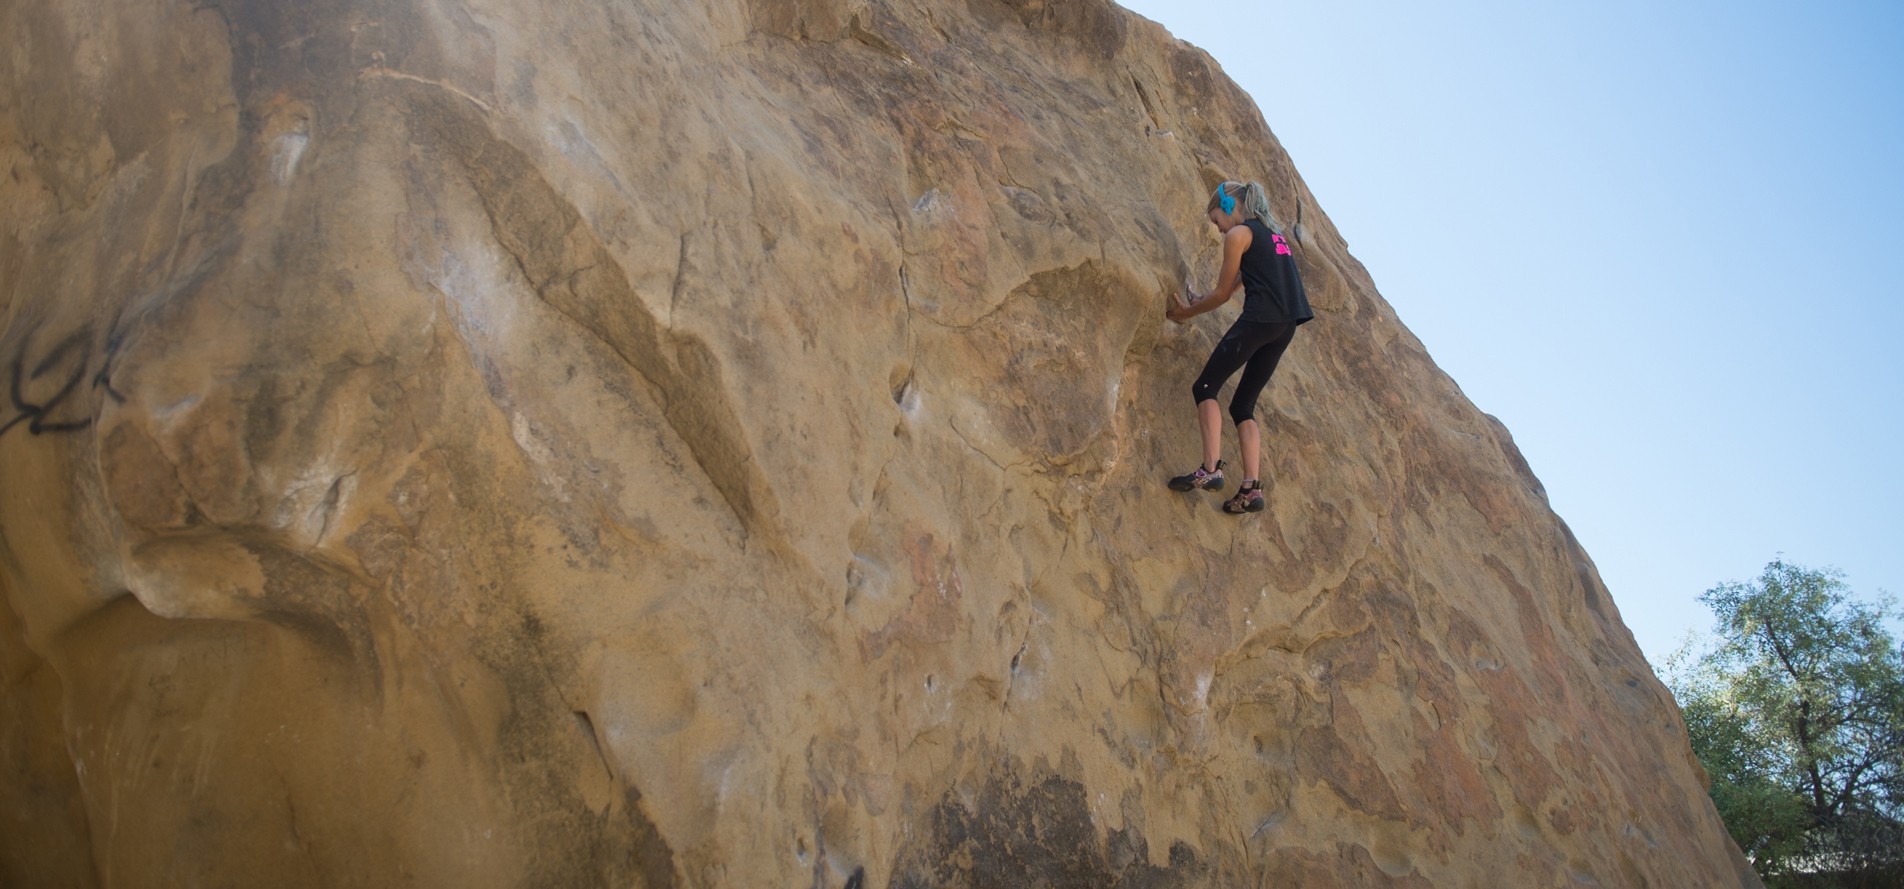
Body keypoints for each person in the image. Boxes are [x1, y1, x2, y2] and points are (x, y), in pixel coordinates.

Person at [1165, 180, 1314, 514]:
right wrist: (1201, 299)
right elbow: (1233, 286)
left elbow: (1221, 296)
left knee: (1205, 387)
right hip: (1285, 327)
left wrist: (1187, 313)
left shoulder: (1239, 235)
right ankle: (1250, 488)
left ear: (1229, 207)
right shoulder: (1274, 238)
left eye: (1217, 221)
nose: (1219, 231)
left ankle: (1211, 469)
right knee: (1243, 406)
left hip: (1261, 320)